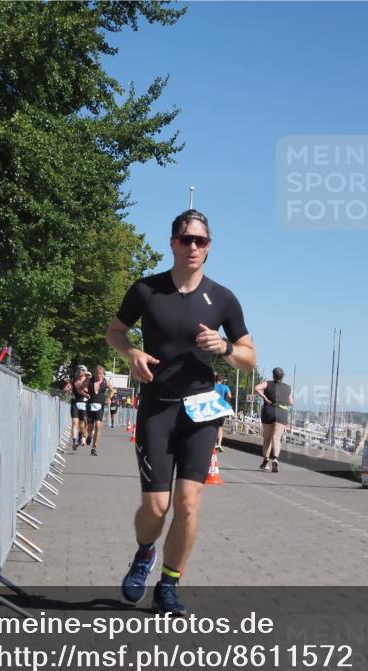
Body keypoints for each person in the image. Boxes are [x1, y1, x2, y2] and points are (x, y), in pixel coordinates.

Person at [106, 209, 256, 616]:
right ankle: (143, 554)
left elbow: (250, 357)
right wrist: (132, 352)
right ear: (173, 242)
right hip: (157, 408)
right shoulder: (145, 290)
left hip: (202, 410)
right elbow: (114, 331)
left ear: (209, 247)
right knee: (156, 508)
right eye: (186, 239)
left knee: (188, 504)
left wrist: (224, 347)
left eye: (201, 241)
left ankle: (169, 586)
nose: (193, 247)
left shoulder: (222, 299)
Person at [255, 367, 293, 472]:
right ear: (283, 376)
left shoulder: (268, 383)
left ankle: (265, 462)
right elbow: (291, 402)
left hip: (269, 411)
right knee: (276, 438)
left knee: (267, 438)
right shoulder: (288, 387)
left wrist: (265, 398)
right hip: (281, 413)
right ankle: (275, 459)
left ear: (273, 375)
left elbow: (257, 388)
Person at [86, 365, 110, 456]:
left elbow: (113, 390)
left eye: (100, 373)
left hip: (100, 407)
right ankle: (89, 435)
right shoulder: (89, 380)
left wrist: (108, 397)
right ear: (94, 373)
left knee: (98, 426)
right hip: (90, 405)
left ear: (103, 374)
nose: (99, 375)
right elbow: (81, 387)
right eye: (97, 373)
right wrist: (85, 393)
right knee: (90, 427)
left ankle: (94, 447)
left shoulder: (106, 381)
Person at [68, 365, 91, 450]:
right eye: (79, 370)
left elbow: (91, 392)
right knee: (75, 422)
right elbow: (71, 388)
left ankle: (82, 436)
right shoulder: (74, 380)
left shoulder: (88, 380)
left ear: (85, 371)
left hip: (84, 403)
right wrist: (68, 389)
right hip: (75, 402)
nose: (80, 371)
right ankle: (74, 442)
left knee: (83, 423)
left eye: (82, 370)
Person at [213, 374, 232, 451]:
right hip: (222, 409)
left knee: (213, 427)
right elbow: (229, 396)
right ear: (222, 380)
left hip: (214, 408)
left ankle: (213, 443)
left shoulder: (212, 386)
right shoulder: (225, 387)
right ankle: (219, 444)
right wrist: (226, 402)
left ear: (215, 379)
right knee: (220, 427)